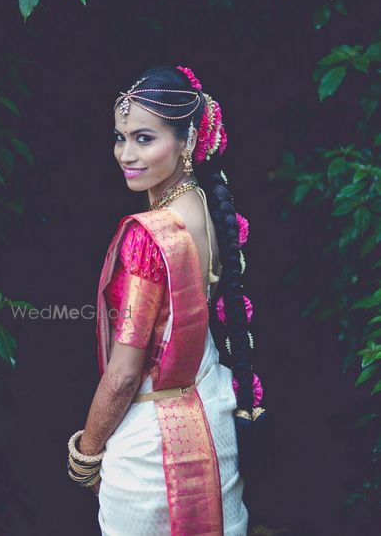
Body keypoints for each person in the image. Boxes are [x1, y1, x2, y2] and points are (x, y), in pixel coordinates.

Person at [67, 65, 266, 535]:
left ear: (188, 140)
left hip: (150, 449)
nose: (125, 155)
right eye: (120, 138)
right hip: (209, 418)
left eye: (143, 138)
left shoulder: (149, 236)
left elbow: (124, 374)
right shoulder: (203, 206)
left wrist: (86, 456)